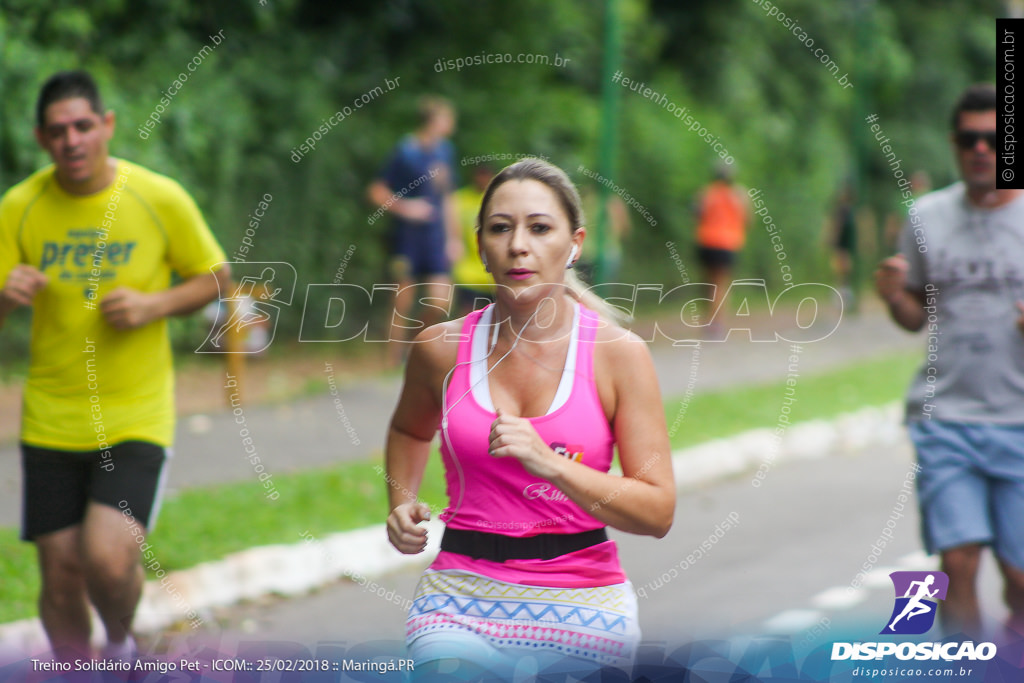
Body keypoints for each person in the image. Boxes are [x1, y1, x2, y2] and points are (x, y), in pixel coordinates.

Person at [384, 158, 675, 679]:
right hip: (459, 595)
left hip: (584, 599)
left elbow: (656, 511)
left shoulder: (617, 355)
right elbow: (409, 429)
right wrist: (401, 501)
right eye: (501, 228)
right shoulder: (440, 350)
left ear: (575, 244)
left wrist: (551, 463)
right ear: (480, 247)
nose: (519, 244)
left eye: (540, 228)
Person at [0, 71, 229, 661]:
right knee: (59, 572)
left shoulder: (157, 197)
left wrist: (155, 304)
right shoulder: (19, 208)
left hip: (134, 411)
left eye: (82, 126)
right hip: (51, 414)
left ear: (106, 126)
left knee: (107, 556)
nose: (71, 140)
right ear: (41, 139)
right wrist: (4, 297)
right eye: (57, 131)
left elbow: (215, 278)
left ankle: (125, 649)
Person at [874, 83, 1024, 640]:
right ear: (954, 144)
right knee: (957, 564)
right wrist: (894, 296)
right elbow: (917, 316)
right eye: (969, 139)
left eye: (993, 138)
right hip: (947, 418)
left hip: (1020, 422)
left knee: (1019, 577)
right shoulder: (926, 217)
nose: (981, 149)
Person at [367, 96, 459, 362]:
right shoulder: (405, 151)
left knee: (441, 302)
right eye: (447, 119)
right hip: (407, 238)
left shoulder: (445, 152)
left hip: (436, 239)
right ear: (434, 120)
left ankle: (413, 343)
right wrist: (405, 208)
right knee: (402, 300)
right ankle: (391, 360)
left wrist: (454, 238)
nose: (451, 125)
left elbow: (448, 197)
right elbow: (376, 190)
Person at [693, 163, 749, 336]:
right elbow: (748, 218)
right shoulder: (739, 195)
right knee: (721, 284)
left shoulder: (705, 193)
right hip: (727, 243)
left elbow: (696, 214)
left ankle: (707, 319)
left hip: (706, 241)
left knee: (708, 283)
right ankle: (717, 322)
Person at [450, 164, 494, 315]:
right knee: (467, 314)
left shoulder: (496, 200)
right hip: (467, 270)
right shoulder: (460, 198)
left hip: (492, 274)